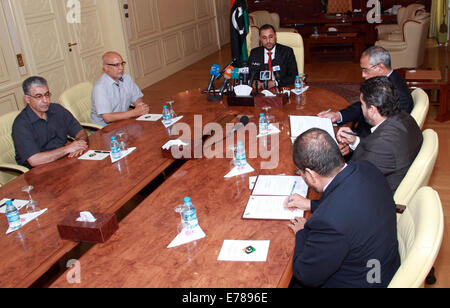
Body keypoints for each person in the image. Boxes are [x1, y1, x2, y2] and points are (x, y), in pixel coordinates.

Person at [285, 128, 400, 288]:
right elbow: (351, 207)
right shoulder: (367, 168)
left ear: (310, 174)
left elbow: (305, 274)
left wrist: (302, 233)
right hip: (383, 266)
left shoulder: (330, 223)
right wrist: (310, 204)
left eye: (300, 173)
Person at [337, 76, 422, 193]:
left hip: (373, 197)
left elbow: (352, 182)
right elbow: (378, 153)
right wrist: (355, 142)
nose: (361, 108)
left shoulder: (379, 145)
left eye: (362, 104)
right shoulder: (405, 118)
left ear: (372, 110)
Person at [318, 46, 414, 137]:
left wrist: (353, 143)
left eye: (365, 70)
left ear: (380, 67)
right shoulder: (388, 81)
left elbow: (384, 133)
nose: (363, 75)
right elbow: (363, 105)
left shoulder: (400, 96)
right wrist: (338, 116)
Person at [12, 76, 88, 169]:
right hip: (38, 171)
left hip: (63, 161)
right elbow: (34, 160)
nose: (45, 100)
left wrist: (80, 143)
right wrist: (67, 149)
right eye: (39, 96)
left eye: (47, 94)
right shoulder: (21, 125)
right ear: (27, 99)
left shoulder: (57, 109)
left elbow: (80, 132)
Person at [91, 51, 149, 127]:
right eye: (116, 65)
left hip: (123, 121)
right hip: (105, 129)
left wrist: (140, 107)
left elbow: (137, 97)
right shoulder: (100, 88)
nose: (121, 68)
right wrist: (134, 113)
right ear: (106, 67)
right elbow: (107, 117)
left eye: (122, 64)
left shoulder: (126, 78)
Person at [248, 24, 298, 89]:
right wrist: (253, 82)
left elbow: (293, 76)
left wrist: (275, 83)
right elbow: (248, 74)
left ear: (275, 36)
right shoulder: (254, 53)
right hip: (261, 91)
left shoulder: (287, 52)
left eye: (271, 37)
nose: (268, 41)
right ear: (260, 39)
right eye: (264, 38)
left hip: (281, 89)